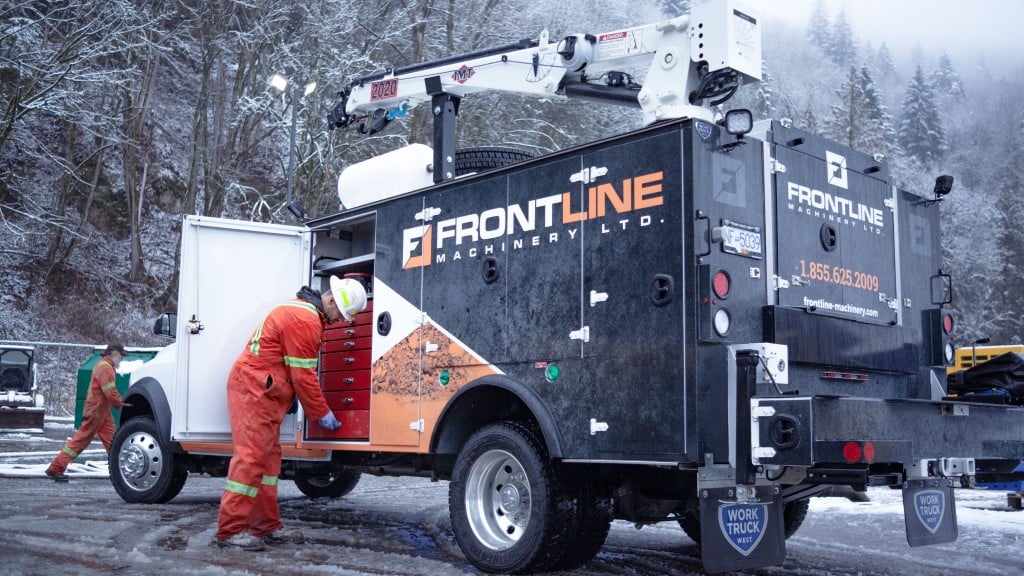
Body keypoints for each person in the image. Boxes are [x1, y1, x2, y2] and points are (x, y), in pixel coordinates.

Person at [214, 276, 367, 551]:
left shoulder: (303, 313)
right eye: (338, 314)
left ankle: (266, 526)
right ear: (330, 299)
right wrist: (320, 412)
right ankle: (230, 530)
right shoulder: (304, 320)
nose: (337, 321)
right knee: (250, 460)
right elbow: (303, 375)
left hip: (263, 392)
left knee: (268, 464)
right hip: (254, 392)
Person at [46, 344, 127, 482]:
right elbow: (110, 392)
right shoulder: (105, 368)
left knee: (114, 441)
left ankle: (121, 472)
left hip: (102, 412)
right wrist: (121, 405)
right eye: (121, 355)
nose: (121, 358)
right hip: (96, 411)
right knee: (80, 441)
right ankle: (56, 468)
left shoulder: (105, 366)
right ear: (113, 353)